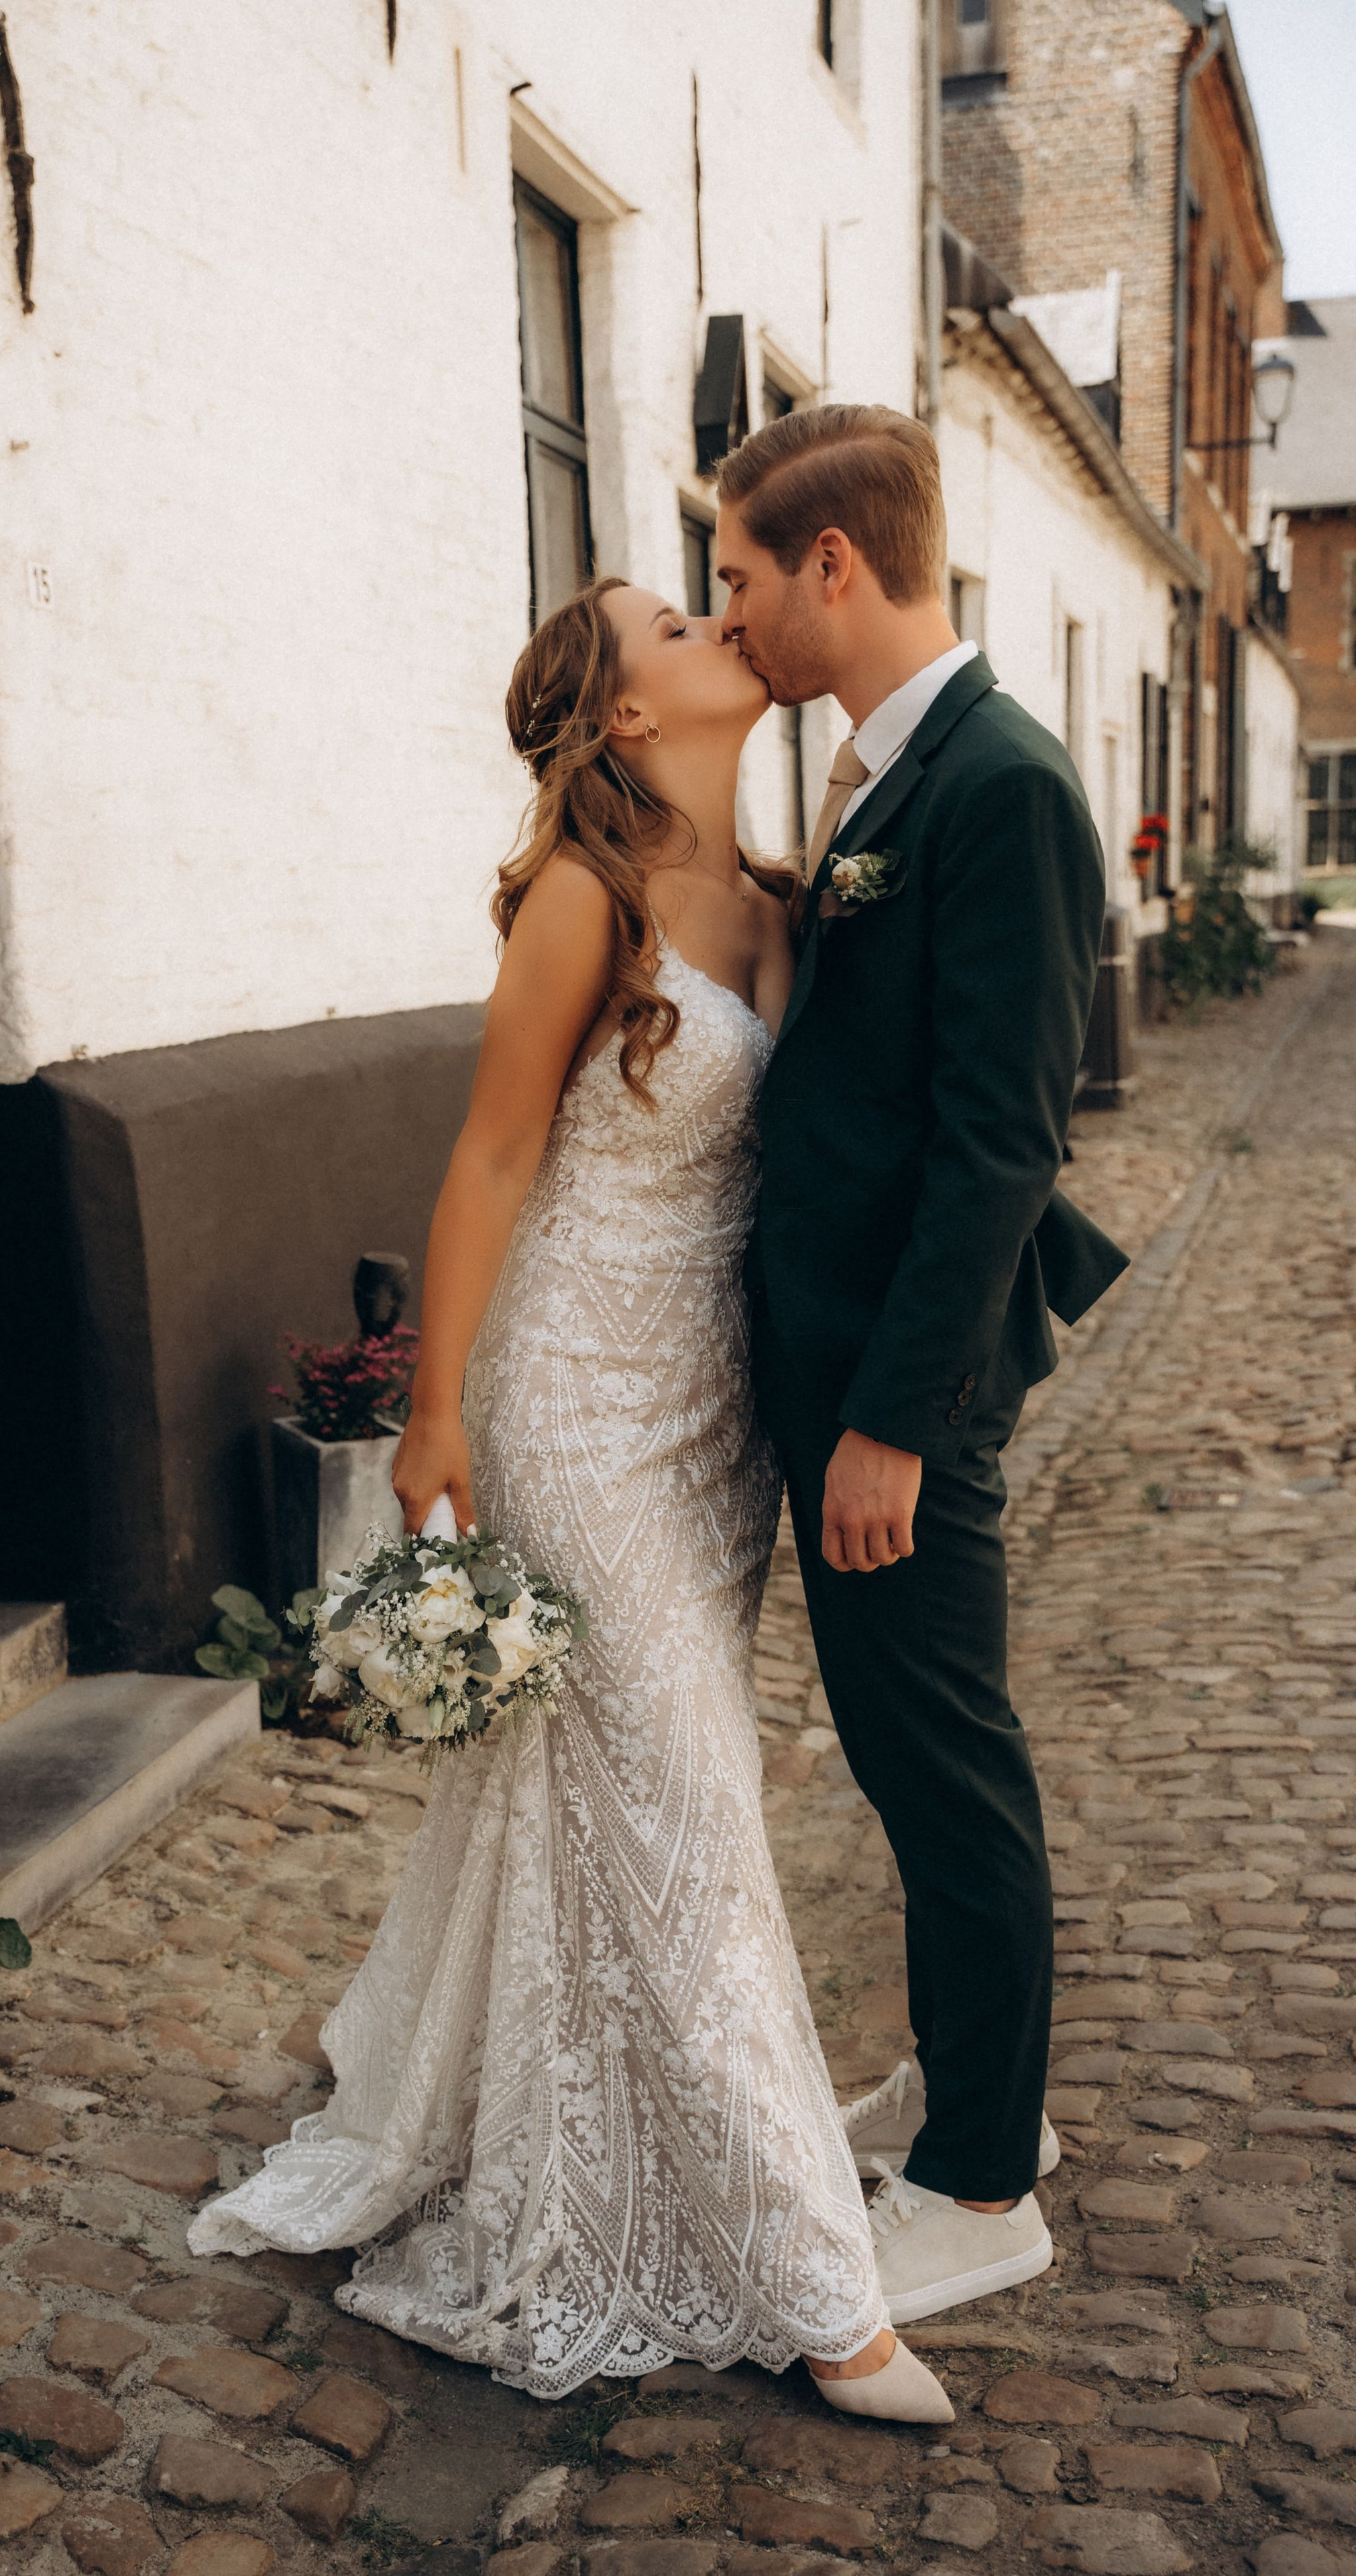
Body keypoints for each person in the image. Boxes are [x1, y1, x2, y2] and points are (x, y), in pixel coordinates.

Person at [189, 573, 952, 2420]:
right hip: (571, 1407)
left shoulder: (777, 897)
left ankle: (551, 2115)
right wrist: (432, 1410)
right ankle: (818, 2290)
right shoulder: (581, 903)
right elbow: (490, 1156)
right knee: (694, 1806)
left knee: (614, 1794)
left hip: (715, 1431)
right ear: (625, 714)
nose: (718, 628)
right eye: (677, 624)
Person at [714, 404, 1129, 2325]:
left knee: (948, 1768)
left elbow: (998, 1142)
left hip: (907, 1389)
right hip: (847, 1368)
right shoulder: (890, 775)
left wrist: (890, 1420)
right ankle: (981, 2088)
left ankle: (981, 2186)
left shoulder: (1000, 782)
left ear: (834, 562)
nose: (731, 612)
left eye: (740, 574)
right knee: (900, 1753)